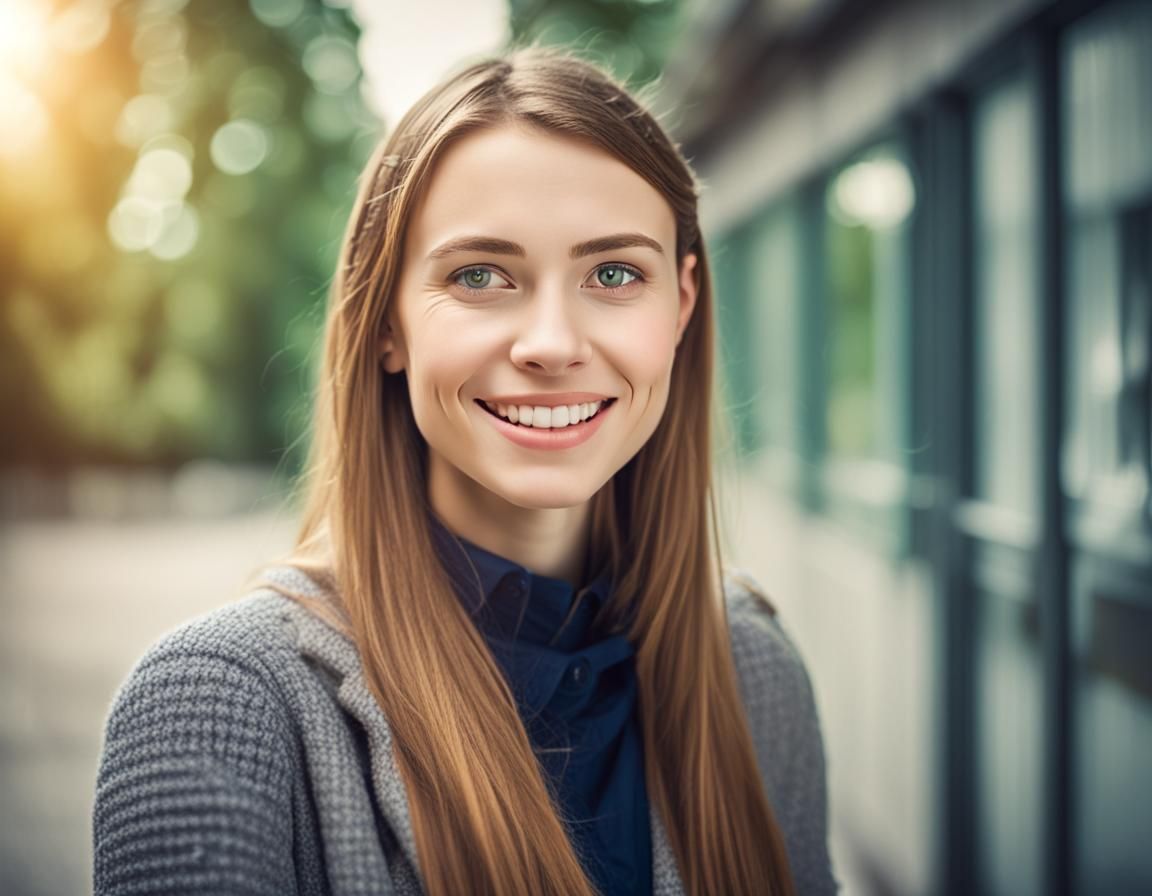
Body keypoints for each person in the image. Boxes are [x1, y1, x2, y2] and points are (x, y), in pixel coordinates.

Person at [93, 48, 837, 896]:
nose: (552, 344)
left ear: (683, 302)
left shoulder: (754, 672)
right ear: (387, 322)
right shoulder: (219, 707)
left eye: (615, 272)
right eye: (480, 275)